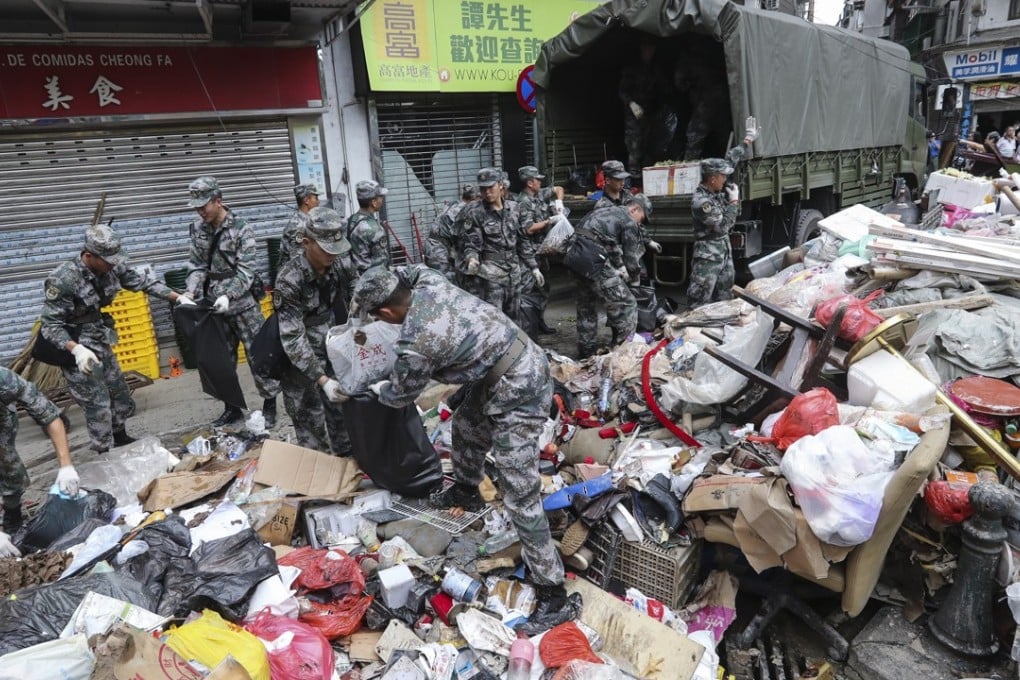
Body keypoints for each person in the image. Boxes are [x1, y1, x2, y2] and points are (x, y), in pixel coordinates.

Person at [350, 264, 565, 602]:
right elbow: (408, 269)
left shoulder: (417, 341)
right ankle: (466, 490)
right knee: (466, 426)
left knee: (519, 490)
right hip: (504, 366)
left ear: (387, 312)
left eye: (377, 317)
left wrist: (370, 389)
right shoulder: (427, 281)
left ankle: (552, 588)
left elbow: (400, 396)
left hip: (521, 384)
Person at [41, 225, 192, 452]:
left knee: (120, 394)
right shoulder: (63, 279)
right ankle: (104, 452)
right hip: (74, 344)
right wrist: (76, 350)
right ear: (89, 256)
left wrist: (178, 298)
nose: (114, 264)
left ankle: (119, 437)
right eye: (108, 260)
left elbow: (144, 283)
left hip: (99, 336)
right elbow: (50, 325)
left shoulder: (111, 266)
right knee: (97, 404)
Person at [184, 176, 280, 428]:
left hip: (243, 305)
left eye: (203, 205)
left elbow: (247, 270)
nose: (199, 210)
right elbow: (197, 265)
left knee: (259, 356)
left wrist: (229, 294)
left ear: (218, 201)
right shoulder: (197, 229)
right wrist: (191, 291)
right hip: (213, 307)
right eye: (196, 206)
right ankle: (232, 408)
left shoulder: (241, 228)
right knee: (221, 360)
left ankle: (270, 404)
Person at [273, 207, 357, 456]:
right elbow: (292, 337)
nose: (333, 255)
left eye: (336, 248)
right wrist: (322, 380)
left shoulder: (339, 261)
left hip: (333, 342)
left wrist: (358, 314)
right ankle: (319, 484)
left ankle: (348, 467)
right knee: (309, 421)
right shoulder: (289, 280)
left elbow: (355, 287)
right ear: (307, 243)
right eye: (326, 249)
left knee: (343, 415)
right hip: (300, 357)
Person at [0, 366, 80, 551]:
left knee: (10, 469)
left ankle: (12, 515)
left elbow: (50, 417)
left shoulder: (5, 379)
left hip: (2, 421)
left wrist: (66, 466)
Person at [564, 197, 646, 358]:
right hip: (591, 257)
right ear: (634, 209)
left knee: (585, 305)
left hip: (573, 255)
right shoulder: (628, 221)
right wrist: (635, 278)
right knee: (627, 303)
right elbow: (632, 258)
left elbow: (609, 244)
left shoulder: (606, 211)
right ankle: (624, 352)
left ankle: (586, 352)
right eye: (642, 218)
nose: (640, 224)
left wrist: (619, 266)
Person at [457, 167, 540, 324]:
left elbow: (522, 240)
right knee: (494, 323)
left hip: (514, 274)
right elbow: (471, 243)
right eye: (483, 189)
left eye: (491, 187)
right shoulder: (475, 212)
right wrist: (472, 259)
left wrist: (534, 267)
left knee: (515, 322)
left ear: (500, 185)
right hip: (490, 276)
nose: (487, 192)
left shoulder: (515, 209)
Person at [686, 141, 751, 307]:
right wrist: (734, 202)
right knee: (700, 300)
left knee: (724, 297)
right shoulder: (702, 202)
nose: (726, 179)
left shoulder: (713, 192)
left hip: (723, 250)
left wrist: (745, 143)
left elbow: (729, 162)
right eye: (723, 176)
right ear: (712, 178)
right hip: (708, 255)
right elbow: (723, 226)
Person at [516, 166, 562, 337]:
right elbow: (528, 229)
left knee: (544, 289)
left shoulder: (539, 195)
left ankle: (539, 321)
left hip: (542, 251)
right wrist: (549, 221)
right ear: (530, 183)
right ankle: (527, 327)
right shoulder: (523, 202)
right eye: (538, 180)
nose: (540, 182)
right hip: (529, 254)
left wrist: (559, 203)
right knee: (527, 291)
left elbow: (558, 189)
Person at [425, 184, 479, 281]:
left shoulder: (455, 204)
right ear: (474, 198)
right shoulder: (463, 211)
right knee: (443, 282)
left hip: (434, 246)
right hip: (439, 250)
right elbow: (464, 237)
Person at [347, 180, 390, 275]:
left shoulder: (350, 220)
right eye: (380, 197)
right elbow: (381, 262)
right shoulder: (375, 229)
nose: (382, 200)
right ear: (373, 202)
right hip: (370, 280)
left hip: (353, 277)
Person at [279, 183, 320, 266]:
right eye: (316, 198)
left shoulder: (309, 221)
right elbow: (298, 262)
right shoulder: (298, 226)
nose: (318, 201)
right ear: (306, 200)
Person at [936, 87, 961, 170]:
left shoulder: (955, 112)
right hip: (943, 135)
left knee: (944, 160)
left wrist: (955, 135)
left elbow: (956, 125)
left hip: (950, 137)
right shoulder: (945, 110)